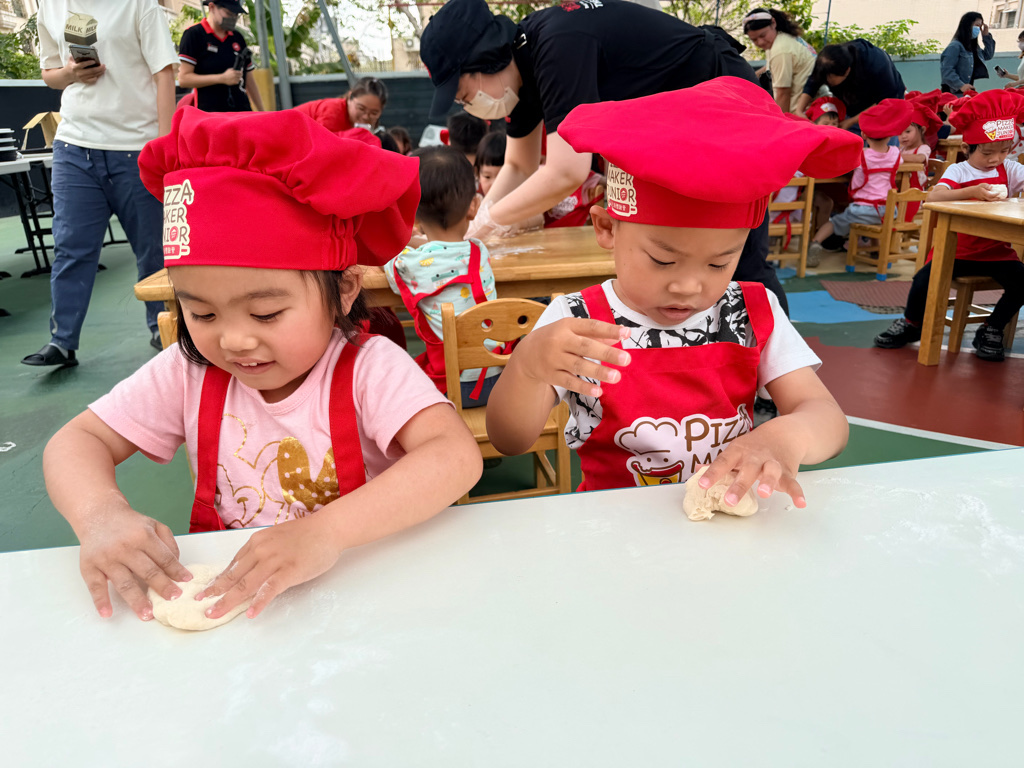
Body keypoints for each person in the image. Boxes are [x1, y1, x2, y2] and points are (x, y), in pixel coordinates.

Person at [42, 108, 482, 622]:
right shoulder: (189, 372)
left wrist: (326, 531)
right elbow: (76, 441)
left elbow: (455, 456)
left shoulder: (370, 369)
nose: (233, 340)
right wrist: (100, 515)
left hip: (370, 594)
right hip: (247, 610)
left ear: (344, 290)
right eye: (202, 313)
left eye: (266, 313)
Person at [485, 78, 861, 501]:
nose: (688, 286)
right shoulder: (576, 322)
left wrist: (786, 437)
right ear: (607, 228)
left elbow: (828, 418)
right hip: (615, 522)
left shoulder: (750, 313)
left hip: (722, 519)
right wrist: (527, 368)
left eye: (719, 263)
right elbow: (509, 439)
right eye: (663, 260)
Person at [420, 0, 790, 314]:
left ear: (486, 59)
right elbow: (518, 165)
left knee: (735, 251)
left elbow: (567, 171)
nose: (467, 105)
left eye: (464, 94)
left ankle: (776, 367)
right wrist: (478, 226)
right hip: (676, 123)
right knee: (672, 251)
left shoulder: (558, 43)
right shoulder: (521, 73)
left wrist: (488, 222)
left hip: (723, 97)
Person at [23, 1, 178, 367]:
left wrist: (163, 148)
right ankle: (62, 341)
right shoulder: (50, 8)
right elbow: (50, 74)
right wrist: (71, 73)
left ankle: (163, 329)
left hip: (136, 147)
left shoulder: (140, 6)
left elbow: (164, 75)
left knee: (153, 249)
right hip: (74, 145)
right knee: (71, 246)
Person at [875, 90, 1024, 363]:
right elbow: (934, 197)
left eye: (1004, 151)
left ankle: (992, 327)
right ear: (968, 148)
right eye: (987, 152)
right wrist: (972, 192)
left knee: (1022, 282)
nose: (995, 159)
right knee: (922, 280)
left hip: (996, 253)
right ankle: (911, 323)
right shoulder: (960, 171)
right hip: (957, 251)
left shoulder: (1010, 169)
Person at [385, 146, 500, 406]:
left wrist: (410, 236)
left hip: (451, 388)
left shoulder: (409, 265)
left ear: (413, 217)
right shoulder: (479, 252)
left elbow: (390, 258)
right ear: (473, 207)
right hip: (499, 381)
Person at [806, 99, 915, 267]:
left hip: (862, 209)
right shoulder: (895, 154)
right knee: (874, 220)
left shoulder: (860, 155)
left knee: (834, 223)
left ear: (863, 135)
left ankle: (815, 242)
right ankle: (876, 251)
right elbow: (897, 159)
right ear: (890, 135)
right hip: (888, 210)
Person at [794, 41, 906, 130]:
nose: (827, 83)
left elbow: (885, 101)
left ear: (847, 71)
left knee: (881, 144)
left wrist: (851, 121)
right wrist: (799, 111)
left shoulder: (877, 63)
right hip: (853, 108)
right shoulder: (826, 61)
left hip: (886, 105)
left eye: (830, 83)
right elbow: (812, 83)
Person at [177, 0, 263, 113]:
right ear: (212, 7)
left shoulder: (237, 37)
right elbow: (184, 79)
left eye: (236, 14)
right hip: (210, 113)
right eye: (228, 13)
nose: (233, 18)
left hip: (241, 111)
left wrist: (262, 111)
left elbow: (249, 79)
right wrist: (222, 78)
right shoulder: (194, 35)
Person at [742, 7, 816, 113]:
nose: (760, 42)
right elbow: (770, 66)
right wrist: (748, 80)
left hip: (804, 112)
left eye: (763, 35)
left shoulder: (781, 50)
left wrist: (780, 120)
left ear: (773, 23)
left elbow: (783, 93)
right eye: (754, 40)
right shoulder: (781, 39)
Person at [293, 77, 388, 135]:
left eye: (374, 113)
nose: (366, 116)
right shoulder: (333, 111)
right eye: (361, 108)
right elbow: (322, 145)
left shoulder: (368, 127)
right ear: (350, 98)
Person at [940, 12, 995, 97]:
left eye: (980, 26)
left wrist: (986, 36)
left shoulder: (974, 47)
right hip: (953, 92)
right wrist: (960, 85)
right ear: (967, 25)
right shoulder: (955, 46)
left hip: (966, 92)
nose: (978, 29)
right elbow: (947, 70)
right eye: (976, 25)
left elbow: (988, 55)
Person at [475, 130, 505, 196]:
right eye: (487, 177)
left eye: (501, 177)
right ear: (477, 174)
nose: (494, 184)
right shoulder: (474, 200)